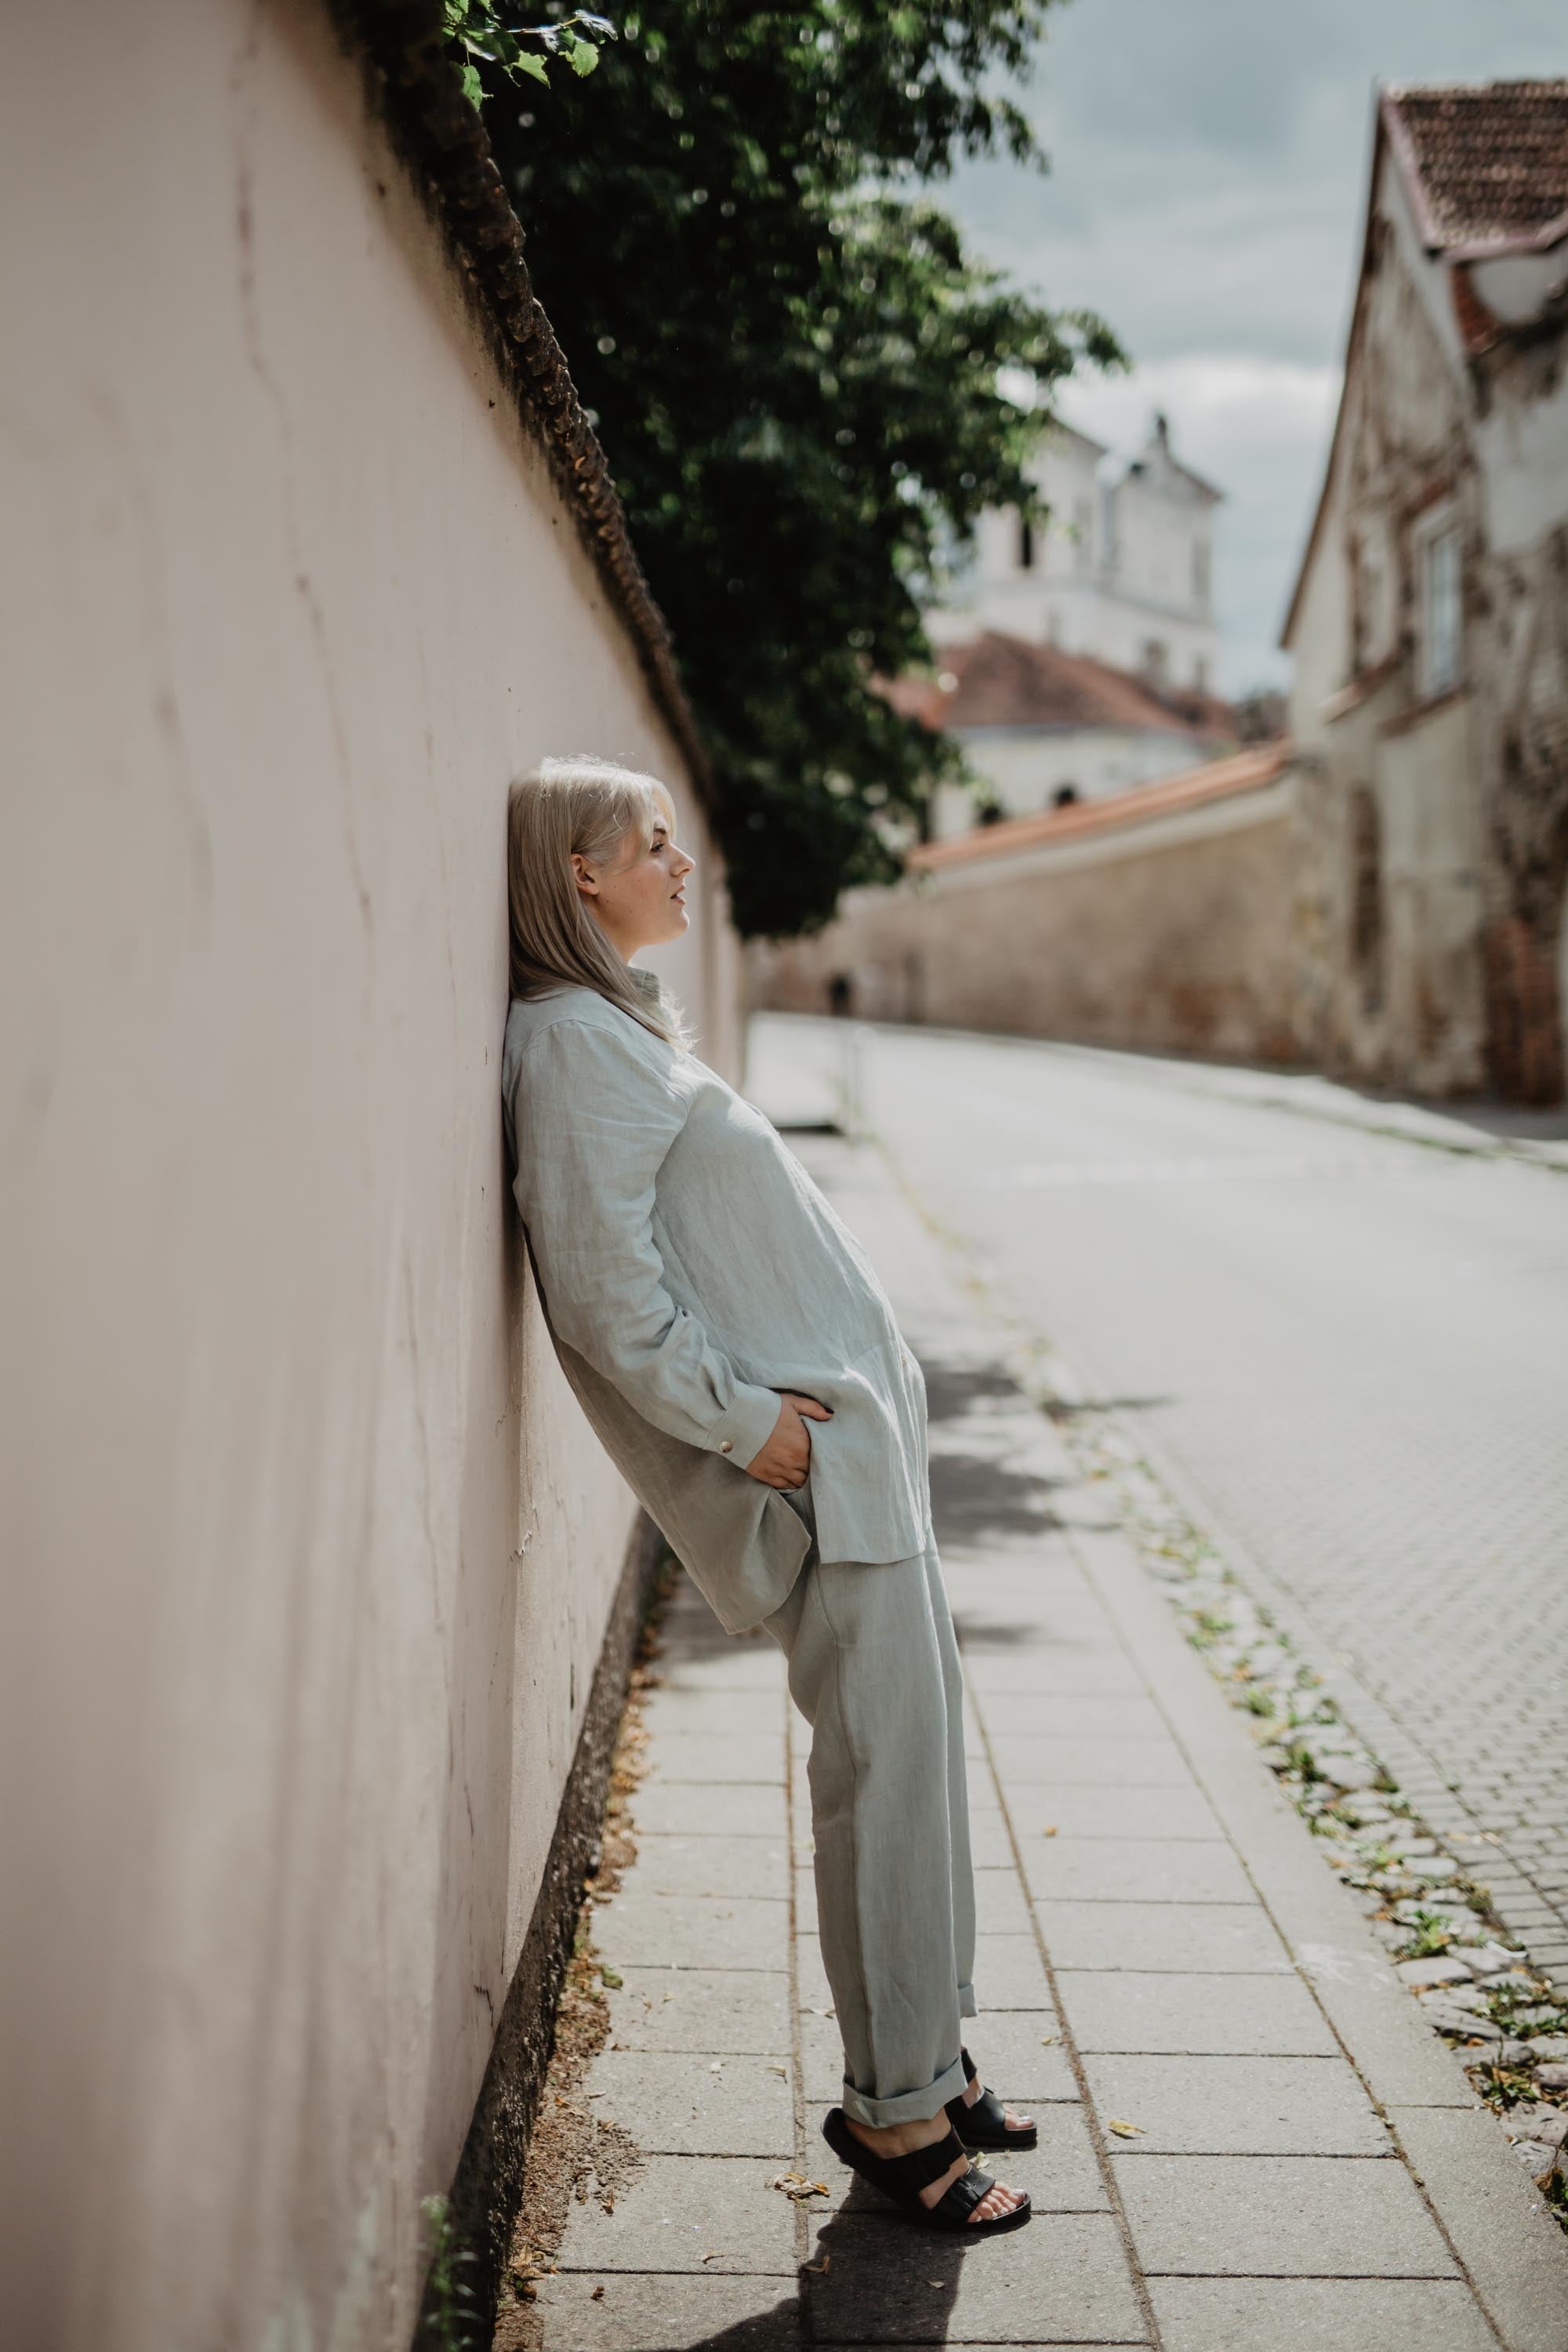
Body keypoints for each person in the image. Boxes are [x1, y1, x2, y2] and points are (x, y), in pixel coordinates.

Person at [501, 757, 1034, 2235]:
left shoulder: (614, 1020)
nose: (681, 866)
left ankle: (933, 2058)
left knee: (919, 1757)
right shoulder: (569, 1041)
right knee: (883, 1775)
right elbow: (603, 1296)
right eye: (651, 844)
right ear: (579, 874)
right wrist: (754, 1433)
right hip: (814, 1473)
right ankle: (897, 2114)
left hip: (857, 1460)